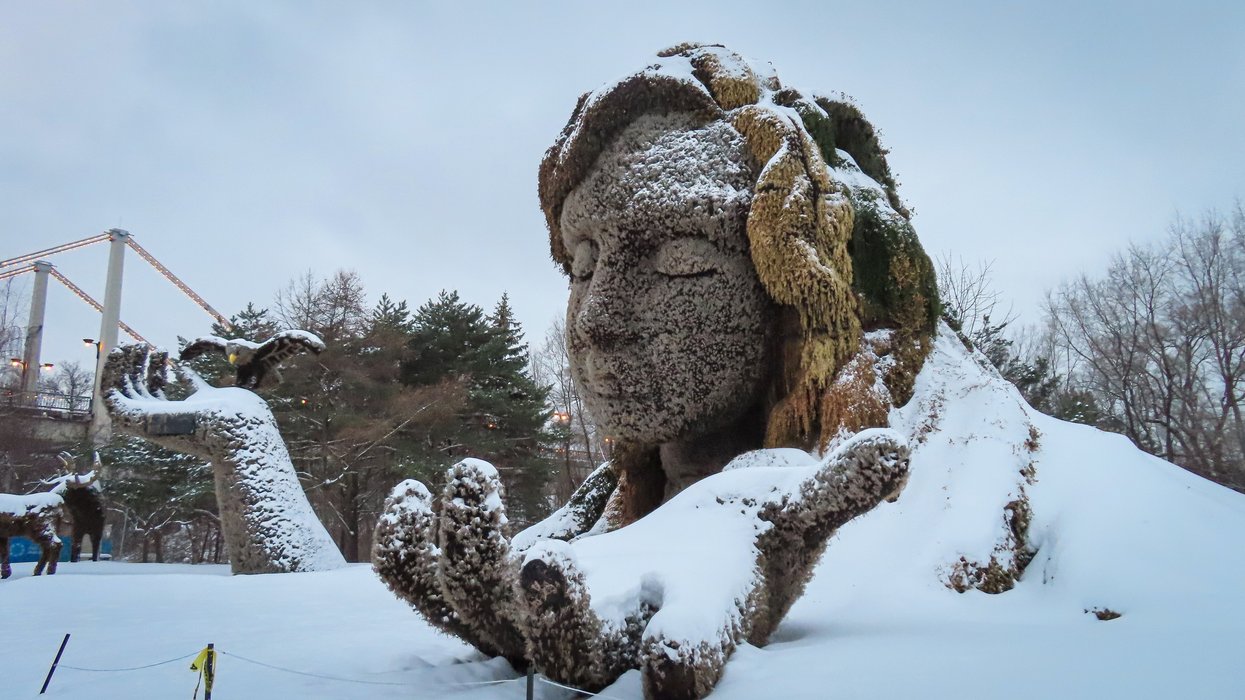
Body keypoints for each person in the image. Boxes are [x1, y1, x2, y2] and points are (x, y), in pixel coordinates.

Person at [375, 43, 936, 699]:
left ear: (794, 301)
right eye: (583, 268)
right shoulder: (588, 524)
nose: (595, 320)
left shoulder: (907, 519)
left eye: (680, 261)